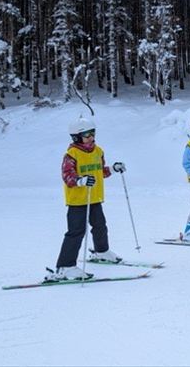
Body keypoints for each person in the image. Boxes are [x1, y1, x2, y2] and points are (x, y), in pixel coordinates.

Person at [45, 117, 125, 281]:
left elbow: (100, 171)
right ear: (76, 137)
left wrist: (113, 169)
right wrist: (80, 180)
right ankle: (65, 266)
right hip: (78, 200)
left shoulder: (98, 151)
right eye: (86, 134)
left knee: (100, 226)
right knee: (76, 232)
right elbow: (67, 177)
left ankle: (101, 251)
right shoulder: (71, 154)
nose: (91, 137)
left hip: (94, 197)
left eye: (92, 133)